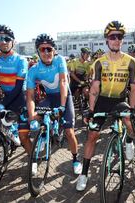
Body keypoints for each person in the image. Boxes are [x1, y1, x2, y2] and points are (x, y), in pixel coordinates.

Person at [76, 21, 135, 191]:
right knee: (92, 136)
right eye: (113, 37)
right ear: (107, 40)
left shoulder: (132, 62)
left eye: (119, 37)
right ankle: (84, 174)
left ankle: (129, 142)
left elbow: (134, 87)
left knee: (129, 124)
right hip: (103, 101)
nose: (116, 40)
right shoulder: (99, 62)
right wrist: (90, 109)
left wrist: (132, 109)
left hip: (120, 100)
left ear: (122, 40)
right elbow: (95, 88)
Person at [26, 33, 82, 175]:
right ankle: (43, 139)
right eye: (42, 49)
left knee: (69, 132)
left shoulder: (59, 61)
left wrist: (63, 106)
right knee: (37, 119)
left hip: (64, 96)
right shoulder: (33, 70)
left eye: (49, 49)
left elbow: (63, 82)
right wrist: (32, 115)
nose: (46, 52)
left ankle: (76, 159)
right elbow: (30, 95)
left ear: (54, 50)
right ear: (38, 51)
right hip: (50, 97)